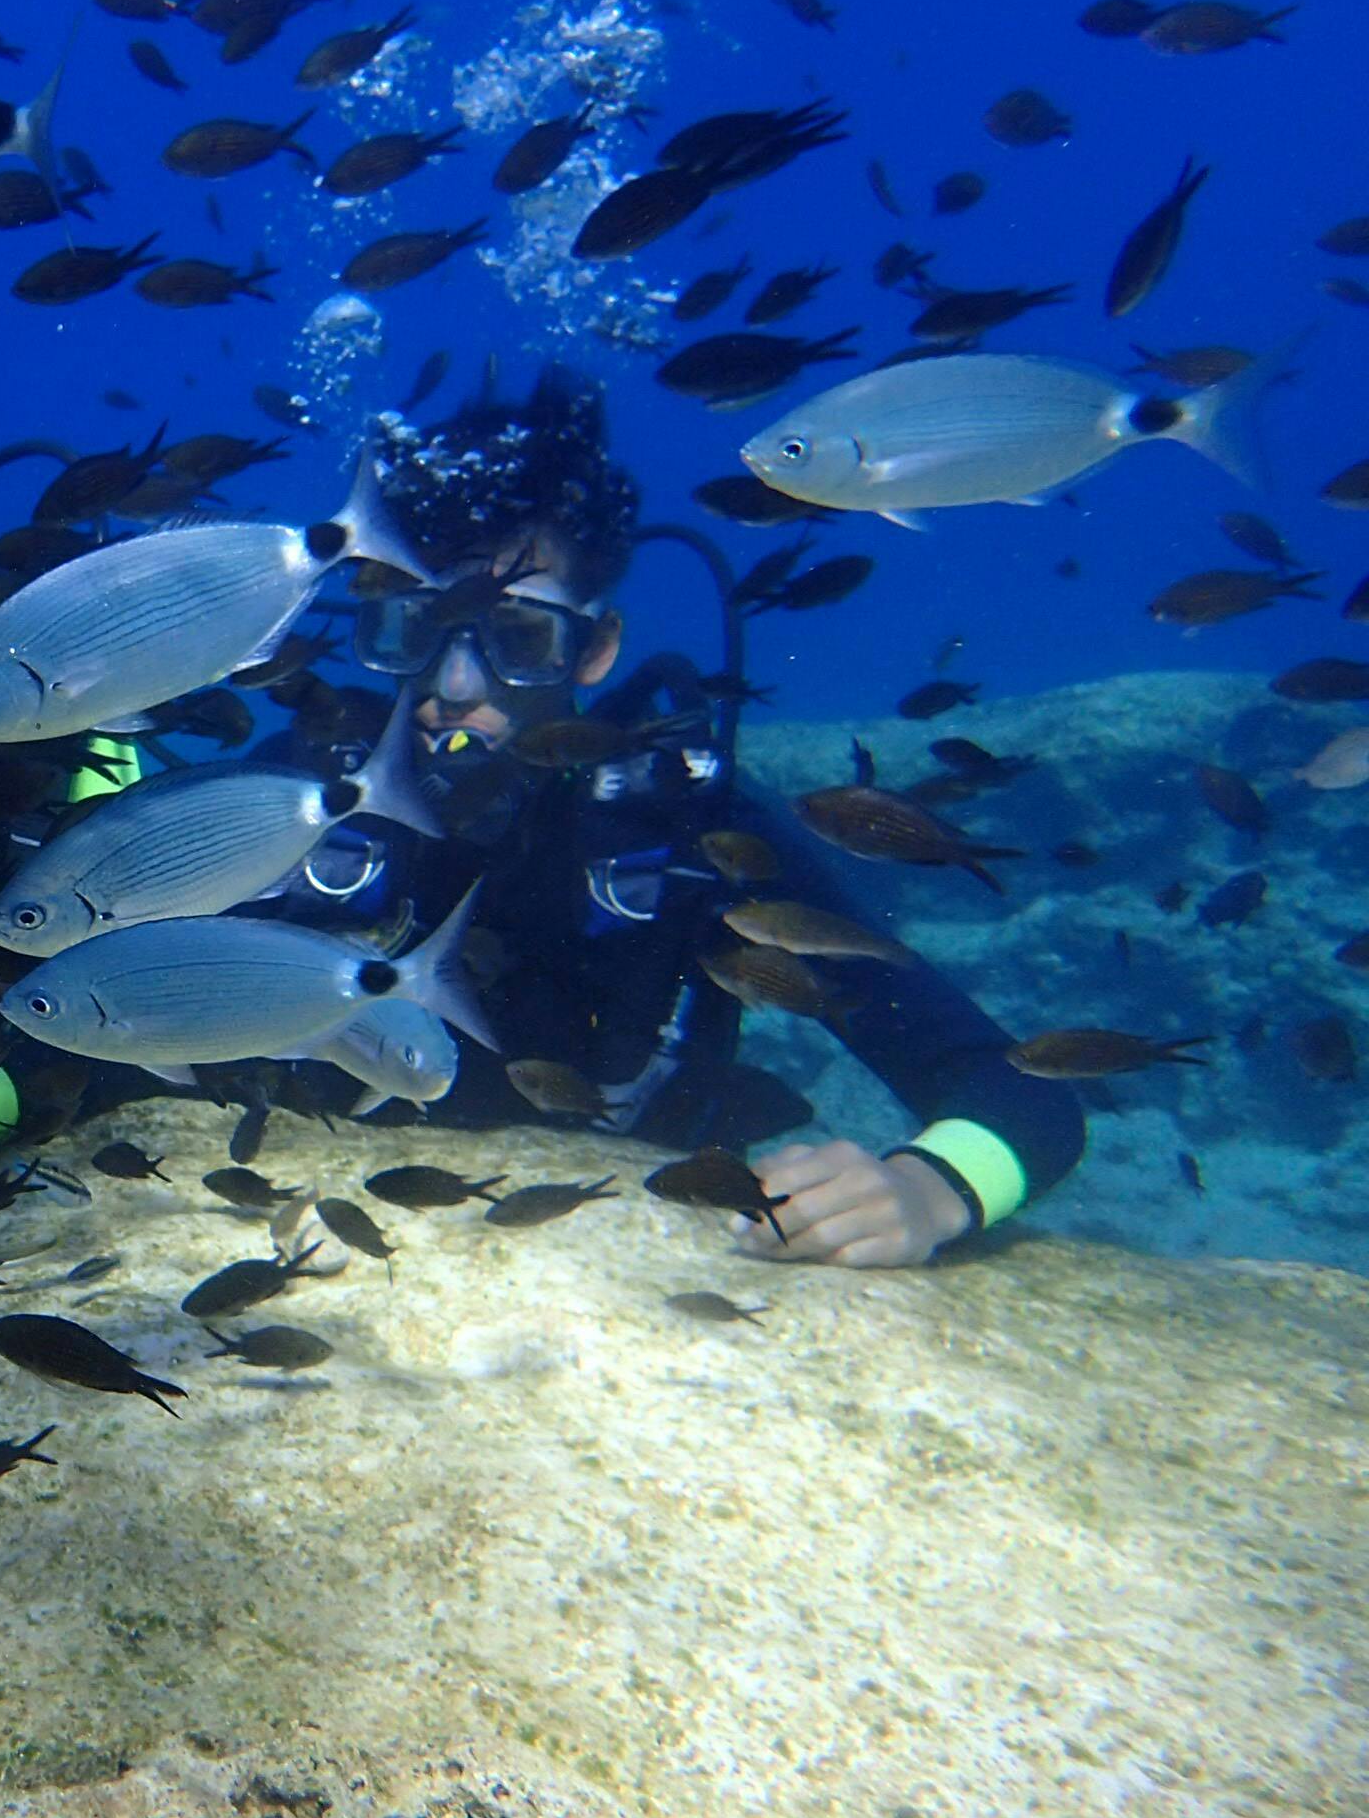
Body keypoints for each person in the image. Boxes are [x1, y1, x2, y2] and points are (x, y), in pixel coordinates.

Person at [266, 366, 1082, 1267]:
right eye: (410, 632)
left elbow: (1029, 1096)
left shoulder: (692, 829)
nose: (454, 689)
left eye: (519, 639)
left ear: (597, 648)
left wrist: (932, 1188)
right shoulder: (287, 804)